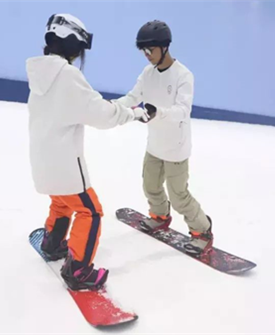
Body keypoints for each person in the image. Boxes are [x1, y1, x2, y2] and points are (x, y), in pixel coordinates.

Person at [25, 14, 148, 290]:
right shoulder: (68, 75)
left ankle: (53, 243)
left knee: (61, 203)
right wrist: (134, 114)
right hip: (65, 164)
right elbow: (102, 115)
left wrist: (121, 108)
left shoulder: (40, 76)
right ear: (72, 43)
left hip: (43, 162)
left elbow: (83, 106)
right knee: (90, 211)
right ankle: (78, 270)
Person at [115, 20, 213, 256]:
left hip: (176, 147)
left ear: (165, 47)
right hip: (155, 144)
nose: (147, 55)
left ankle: (203, 230)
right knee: (150, 186)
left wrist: (158, 112)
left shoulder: (183, 75)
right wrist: (111, 107)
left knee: (179, 196)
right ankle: (159, 216)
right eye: (143, 51)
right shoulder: (147, 73)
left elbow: (182, 111)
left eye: (151, 50)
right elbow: (132, 96)